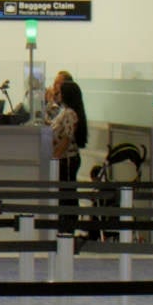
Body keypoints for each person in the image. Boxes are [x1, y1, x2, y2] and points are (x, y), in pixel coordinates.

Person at [43, 69, 91, 246]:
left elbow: (66, 139)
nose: (57, 93)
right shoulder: (65, 111)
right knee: (65, 194)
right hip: (63, 159)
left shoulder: (70, 113)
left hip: (67, 160)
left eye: (60, 91)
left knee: (67, 194)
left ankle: (68, 229)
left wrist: (54, 158)